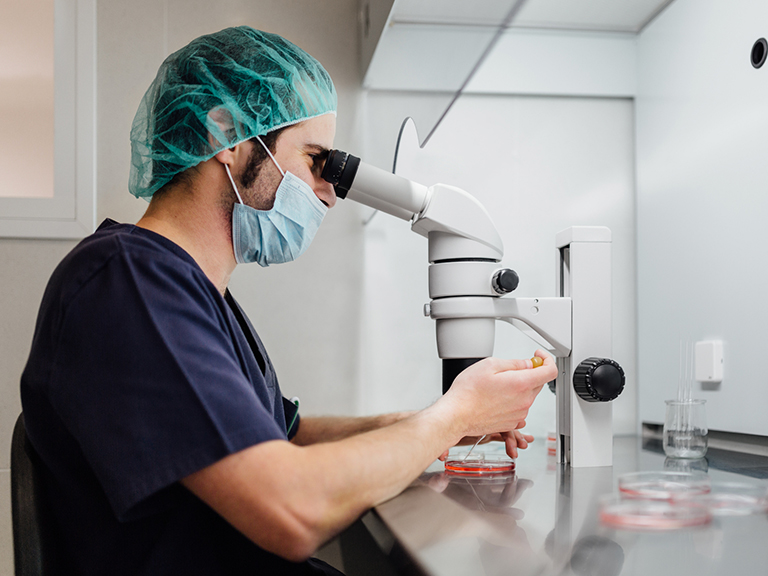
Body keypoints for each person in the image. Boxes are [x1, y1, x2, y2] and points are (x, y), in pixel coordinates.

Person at [20, 27, 558, 575]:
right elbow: (292, 508)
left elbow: (289, 437)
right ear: (228, 136)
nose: (328, 191)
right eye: (314, 159)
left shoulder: (193, 293)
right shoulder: (128, 282)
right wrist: (453, 415)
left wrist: (440, 421)